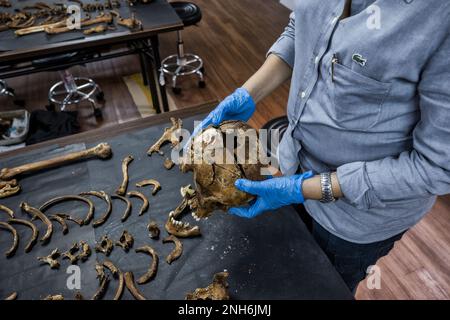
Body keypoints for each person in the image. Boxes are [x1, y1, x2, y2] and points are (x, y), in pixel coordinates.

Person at [192, 0, 450, 293]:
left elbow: (437, 166)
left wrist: (310, 188)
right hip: (295, 165)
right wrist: (249, 92)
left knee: (317, 287)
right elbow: (300, 28)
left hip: (356, 217)